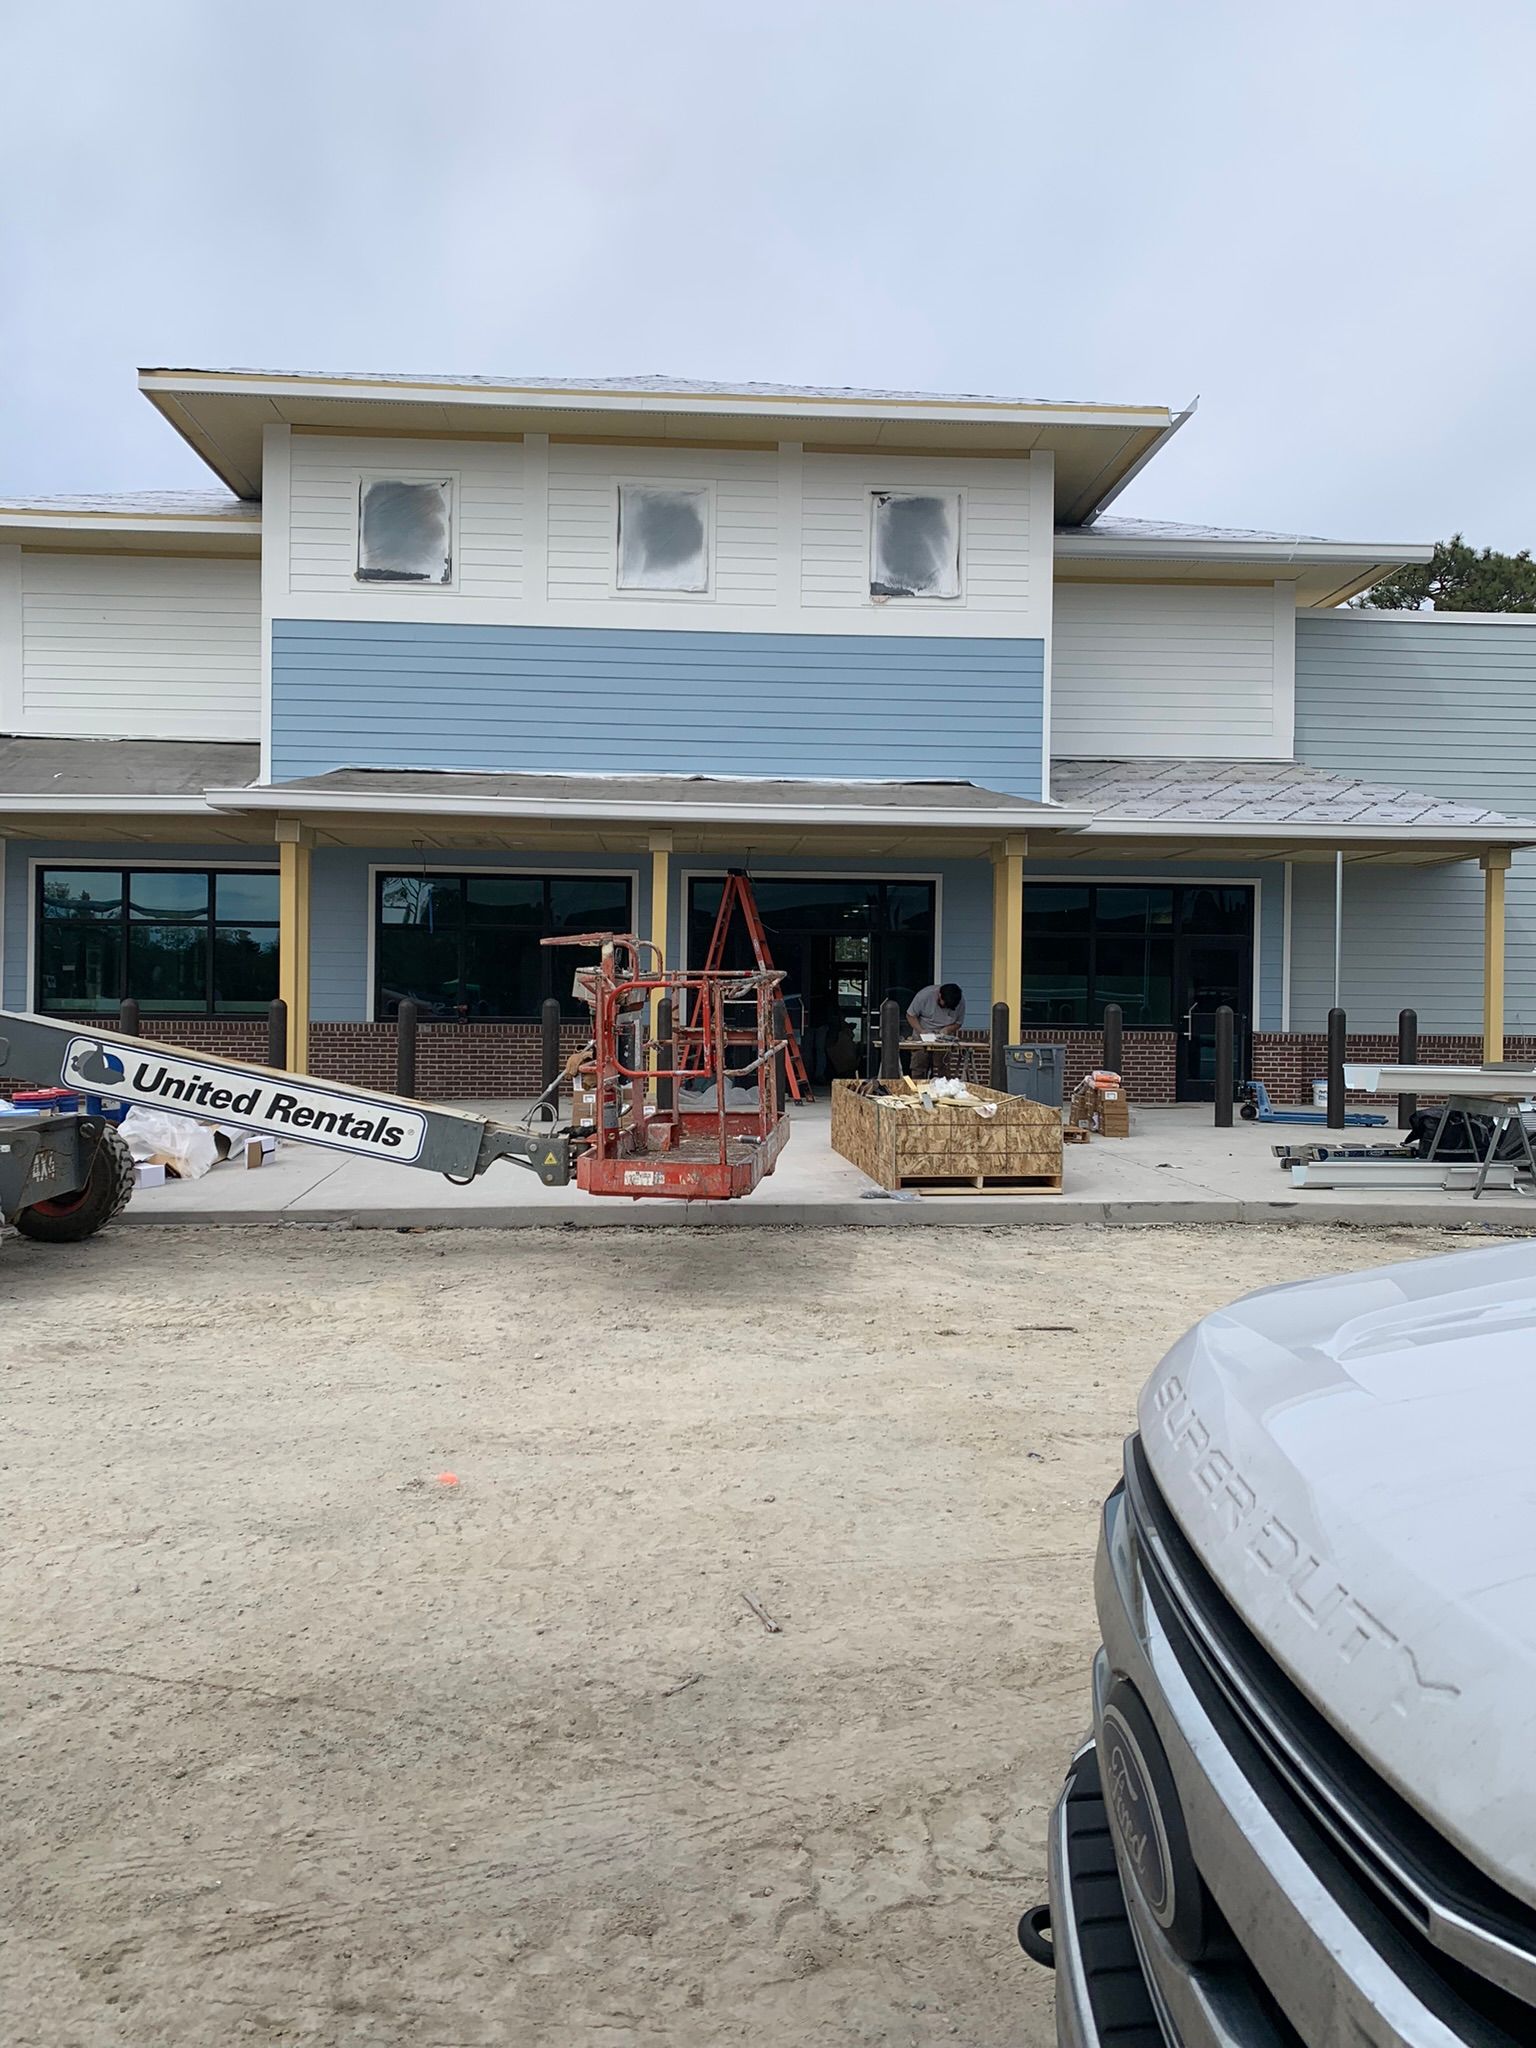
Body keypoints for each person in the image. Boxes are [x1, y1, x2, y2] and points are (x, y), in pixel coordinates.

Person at [906, 982, 965, 1079]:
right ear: (939, 995)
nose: (946, 1008)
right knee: (918, 1066)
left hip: (943, 1038)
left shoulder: (960, 1001)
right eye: (944, 1004)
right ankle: (918, 1086)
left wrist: (947, 1029)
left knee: (944, 1067)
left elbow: (958, 1023)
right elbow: (910, 1015)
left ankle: (942, 1086)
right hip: (922, 1034)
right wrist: (921, 1030)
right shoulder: (924, 996)